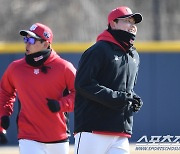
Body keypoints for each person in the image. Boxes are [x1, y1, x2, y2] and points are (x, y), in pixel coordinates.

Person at [74, 6, 143, 154]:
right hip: (93, 129)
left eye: (134, 22)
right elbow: (83, 84)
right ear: (113, 24)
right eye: (127, 21)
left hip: (120, 131)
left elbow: (125, 91)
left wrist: (132, 99)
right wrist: (118, 98)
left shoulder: (133, 56)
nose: (132, 26)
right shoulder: (98, 50)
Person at [0, 23, 76, 154]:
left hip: (58, 137)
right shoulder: (15, 68)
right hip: (28, 137)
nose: (27, 43)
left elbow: (80, 93)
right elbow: (5, 93)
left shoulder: (64, 67)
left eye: (32, 40)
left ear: (46, 44)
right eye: (26, 39)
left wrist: (61, 104)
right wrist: (3, 115)